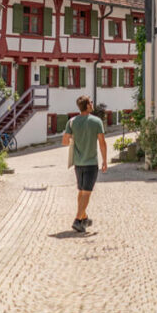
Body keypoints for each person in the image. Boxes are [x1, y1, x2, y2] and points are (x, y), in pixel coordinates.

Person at [62, 95, 107, 233]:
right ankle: (77, 219)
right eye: (91, 102)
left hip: (78, 163)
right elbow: (102, 142)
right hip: (91, 163)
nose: (93, 104)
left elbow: (65, 141)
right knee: (86, 193)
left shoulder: (72, 122)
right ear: (87, 106)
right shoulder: (96, 121)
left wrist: (77, 138)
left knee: (81, 192)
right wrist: (105, 161)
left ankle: (84, 218)